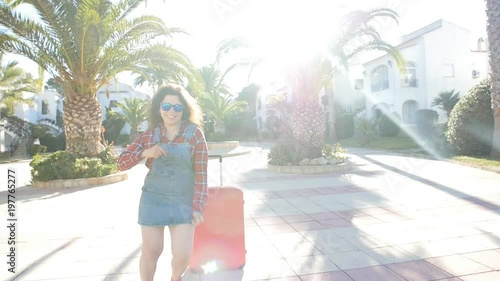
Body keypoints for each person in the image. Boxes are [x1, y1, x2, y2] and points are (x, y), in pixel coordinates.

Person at [117, 84, 208, 281]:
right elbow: (121, 162)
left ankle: (176, 278)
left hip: (184, 202)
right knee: (152, 252)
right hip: (153, 200)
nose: (171, 112)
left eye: (177, 107)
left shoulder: (195, 135)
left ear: (185, 110)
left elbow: (201, 176)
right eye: (166, 106)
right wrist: (144, 153)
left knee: (182, 255)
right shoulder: (149, 135)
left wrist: (198, 207)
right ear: (159, 108)